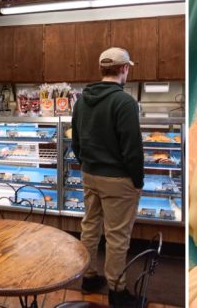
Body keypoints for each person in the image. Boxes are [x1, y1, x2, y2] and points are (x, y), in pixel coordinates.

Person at [71, 47, 144, 307]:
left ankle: (88, 276)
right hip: (118, 180)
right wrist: (138, 180)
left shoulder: (81, 100)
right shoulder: (124, 102)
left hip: (90, 174)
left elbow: (76, 143)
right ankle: (117, 290)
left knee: (90, 227)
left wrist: (88, 165)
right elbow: (132, 148)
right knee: (116, 236)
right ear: (124, 69)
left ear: (102, 69)